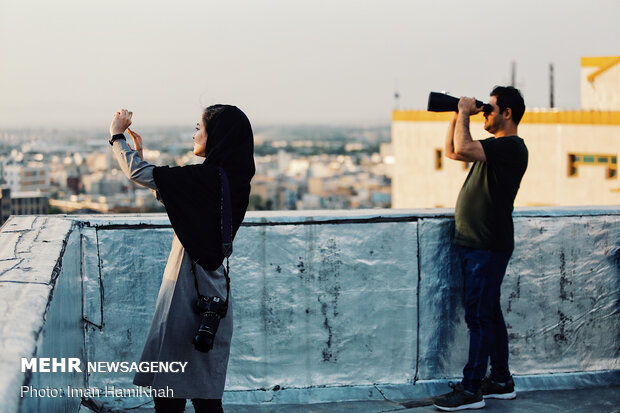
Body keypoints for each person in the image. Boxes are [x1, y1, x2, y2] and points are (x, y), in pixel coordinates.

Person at [109, 105, 255, 413]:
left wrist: (116, 136)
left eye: (199, 128)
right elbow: (183, 200)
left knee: (168, 393)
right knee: (205, 396)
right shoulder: (233, 181)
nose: (195, 134)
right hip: (214, 297)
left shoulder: (205, 179)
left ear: (216, 135)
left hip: (187, 293)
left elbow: (138, 174)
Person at [432, 86, 528, 411]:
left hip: (487, 244)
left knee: (478, 317)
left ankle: (472, 388)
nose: (486, 113)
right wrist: (456, 114)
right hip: (479, 243)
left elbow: (463, 144)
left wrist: (463, 113)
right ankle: (500, 380)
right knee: (488, 313)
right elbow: (453, 150)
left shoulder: (512, 147)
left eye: (491, 109)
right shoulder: (495, 148)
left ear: (507, 114)